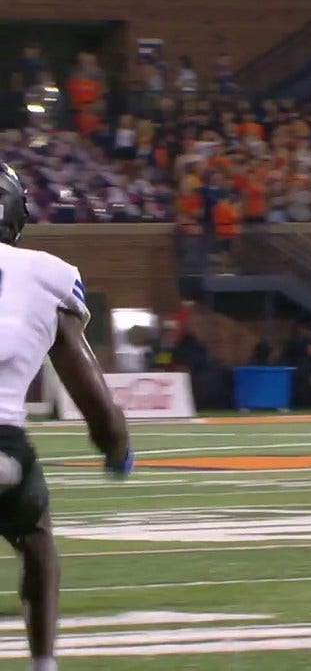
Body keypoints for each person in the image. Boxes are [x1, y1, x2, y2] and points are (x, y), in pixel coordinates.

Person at [0, 163, 133, 671]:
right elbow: (92, 396)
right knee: (36, 541)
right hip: (3, 442)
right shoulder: (46, 274)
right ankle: (43, 663)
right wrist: (116, 449)